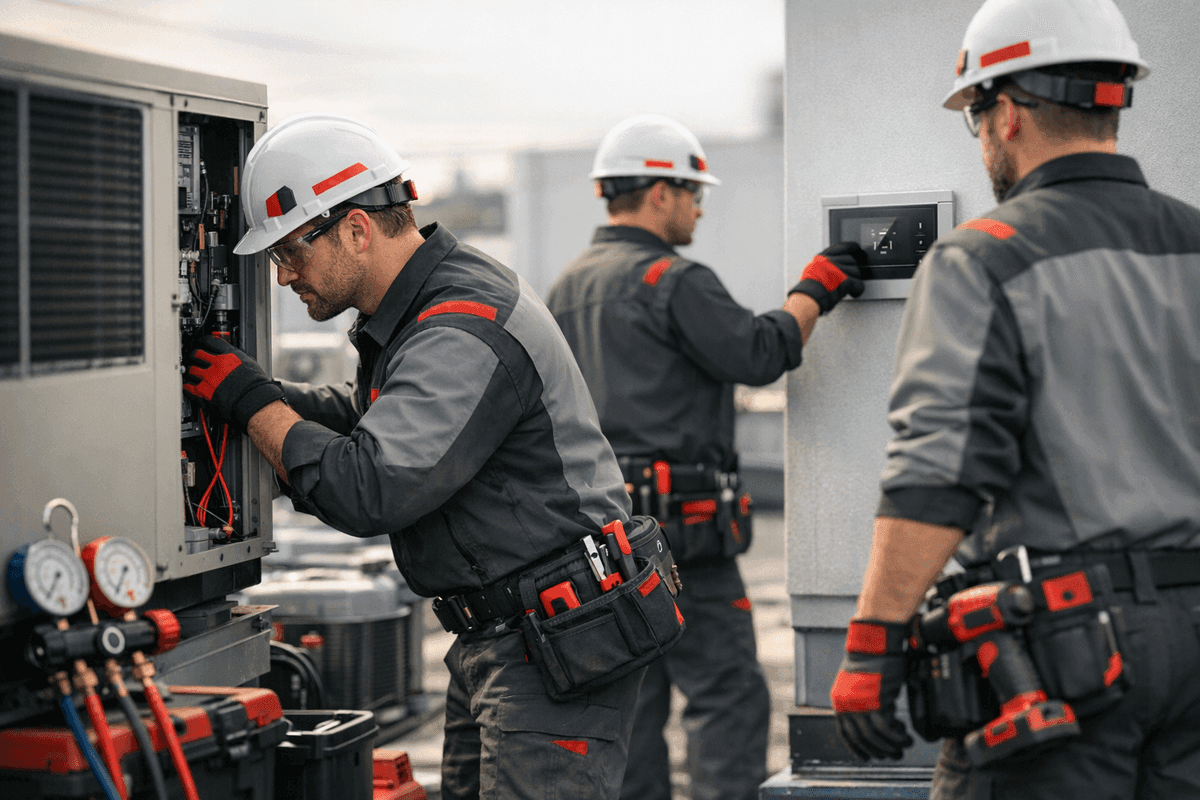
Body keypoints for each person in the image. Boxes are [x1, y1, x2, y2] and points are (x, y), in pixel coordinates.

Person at [181, 112, 671, 800]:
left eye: (291, 251)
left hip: (553, 646)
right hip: (507, 636)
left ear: (355, 228)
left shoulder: (463, 325)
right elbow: (373, 423)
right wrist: (259, 391)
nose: (286, 275)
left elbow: (371, 485)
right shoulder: (420, 313)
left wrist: (252, 406)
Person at [830, 0, 1200, 797]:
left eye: (976, 118)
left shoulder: (983, 259)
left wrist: (869, 644)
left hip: (1068, 650)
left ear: (1005, 112)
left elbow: (939, 471)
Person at [546, 114, 867, 800]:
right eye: (695, 193)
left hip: (605, 542)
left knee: (636, 707)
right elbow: (757, 352)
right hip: (687, 543)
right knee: (726, 696)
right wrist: (818, 287)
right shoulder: (674, 279)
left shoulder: (567, 287)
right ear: (661, 192)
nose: (698, 208)